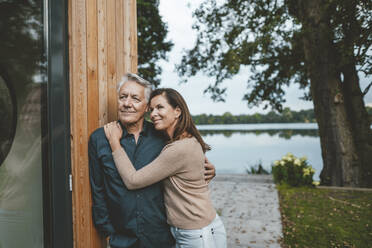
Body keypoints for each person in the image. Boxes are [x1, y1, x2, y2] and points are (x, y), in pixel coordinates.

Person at [88, 73, 216, 248]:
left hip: (161, 236)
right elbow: (98, 189)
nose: (127, 104)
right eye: (123, 97)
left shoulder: (163, 137)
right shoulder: (100, 138)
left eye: (135, 98)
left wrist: (209, 170)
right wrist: (107, 230)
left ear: (147, 106)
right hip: (121, 238)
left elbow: (190, 161)